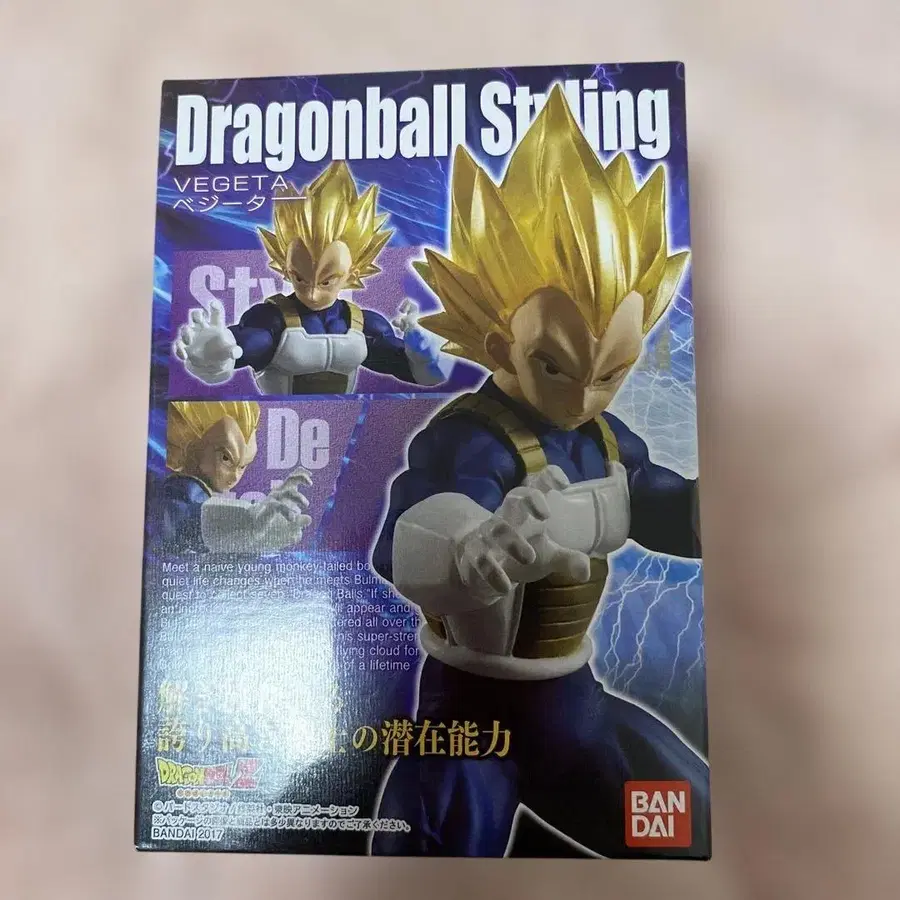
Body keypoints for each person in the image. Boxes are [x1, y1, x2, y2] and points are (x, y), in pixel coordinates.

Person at [369, 85, 708, 857]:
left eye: (612, 372)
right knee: (424, 857)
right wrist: (469, 551)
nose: (585, 397)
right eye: (557, 367)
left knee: (697, 826)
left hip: (577, 716)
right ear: (500, 347)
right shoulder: (472, 441)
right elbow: (405, 540)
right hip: (468, 723)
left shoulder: (607, 439)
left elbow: (664, 508)